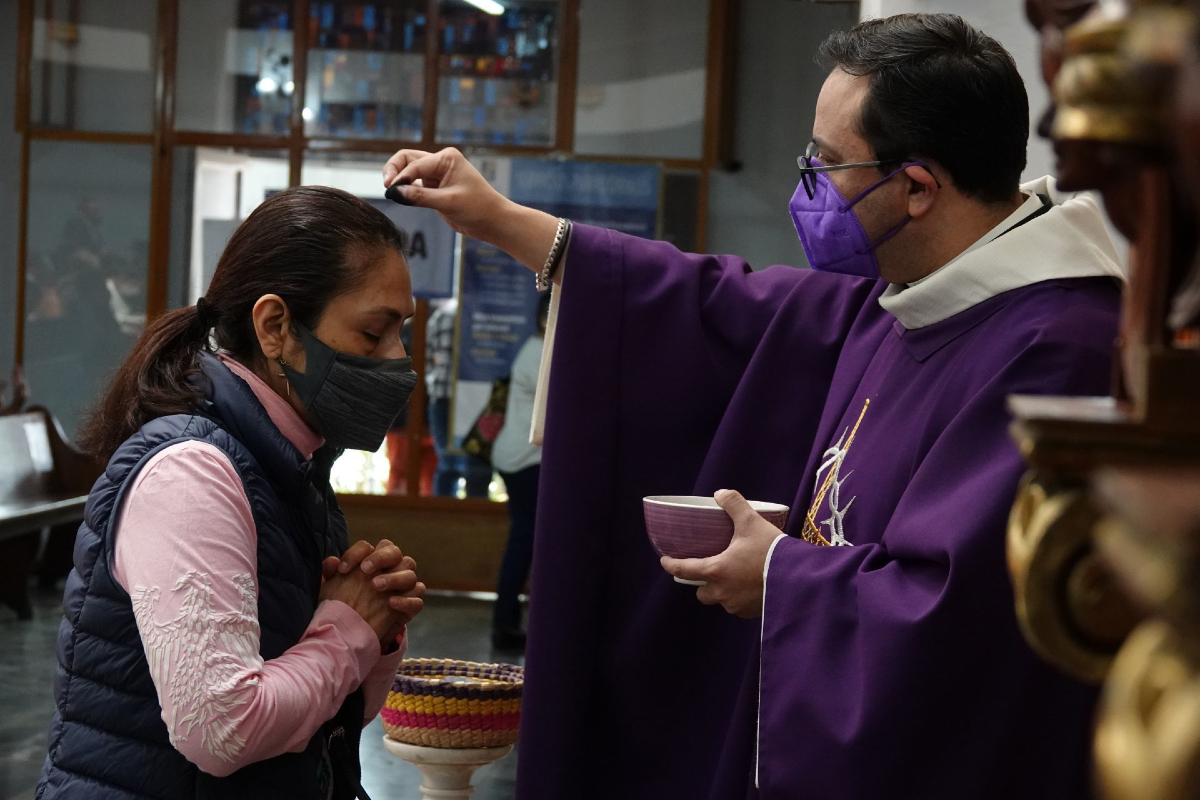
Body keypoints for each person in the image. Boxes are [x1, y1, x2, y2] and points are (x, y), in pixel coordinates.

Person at [382, 13, 1125, 799]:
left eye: (828, 164)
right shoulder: (904, 301)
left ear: (915, 188)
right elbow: (721, 306)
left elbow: (972, 618)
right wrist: (503, 222)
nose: (806, 182)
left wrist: (780, 576)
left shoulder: (1057, 349)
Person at [38, 186, 427, 800]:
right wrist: (348, 627)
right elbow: (222, 729)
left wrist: (373, 629)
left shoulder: (292, 462)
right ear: (276, 327)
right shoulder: (193, 470)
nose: (397, 360)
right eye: (373, 334)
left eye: (401, 332)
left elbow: (324, 712)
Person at [489, 293, 550, 651]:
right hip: (526, 460)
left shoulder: (535, 347)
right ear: (545, 318)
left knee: (524, 541)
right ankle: (506, 625)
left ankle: (507, 623)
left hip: (518, 456)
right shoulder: (542, 352)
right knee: (524, 541)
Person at [425, 299, 492, 497]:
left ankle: (441, 520)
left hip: (441, 395)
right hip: (477, 395)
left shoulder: (440, 316)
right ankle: (477, 519)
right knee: (478, 464)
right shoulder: (483, 314)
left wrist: (434, 382)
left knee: (447, 464)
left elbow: (427, 359)